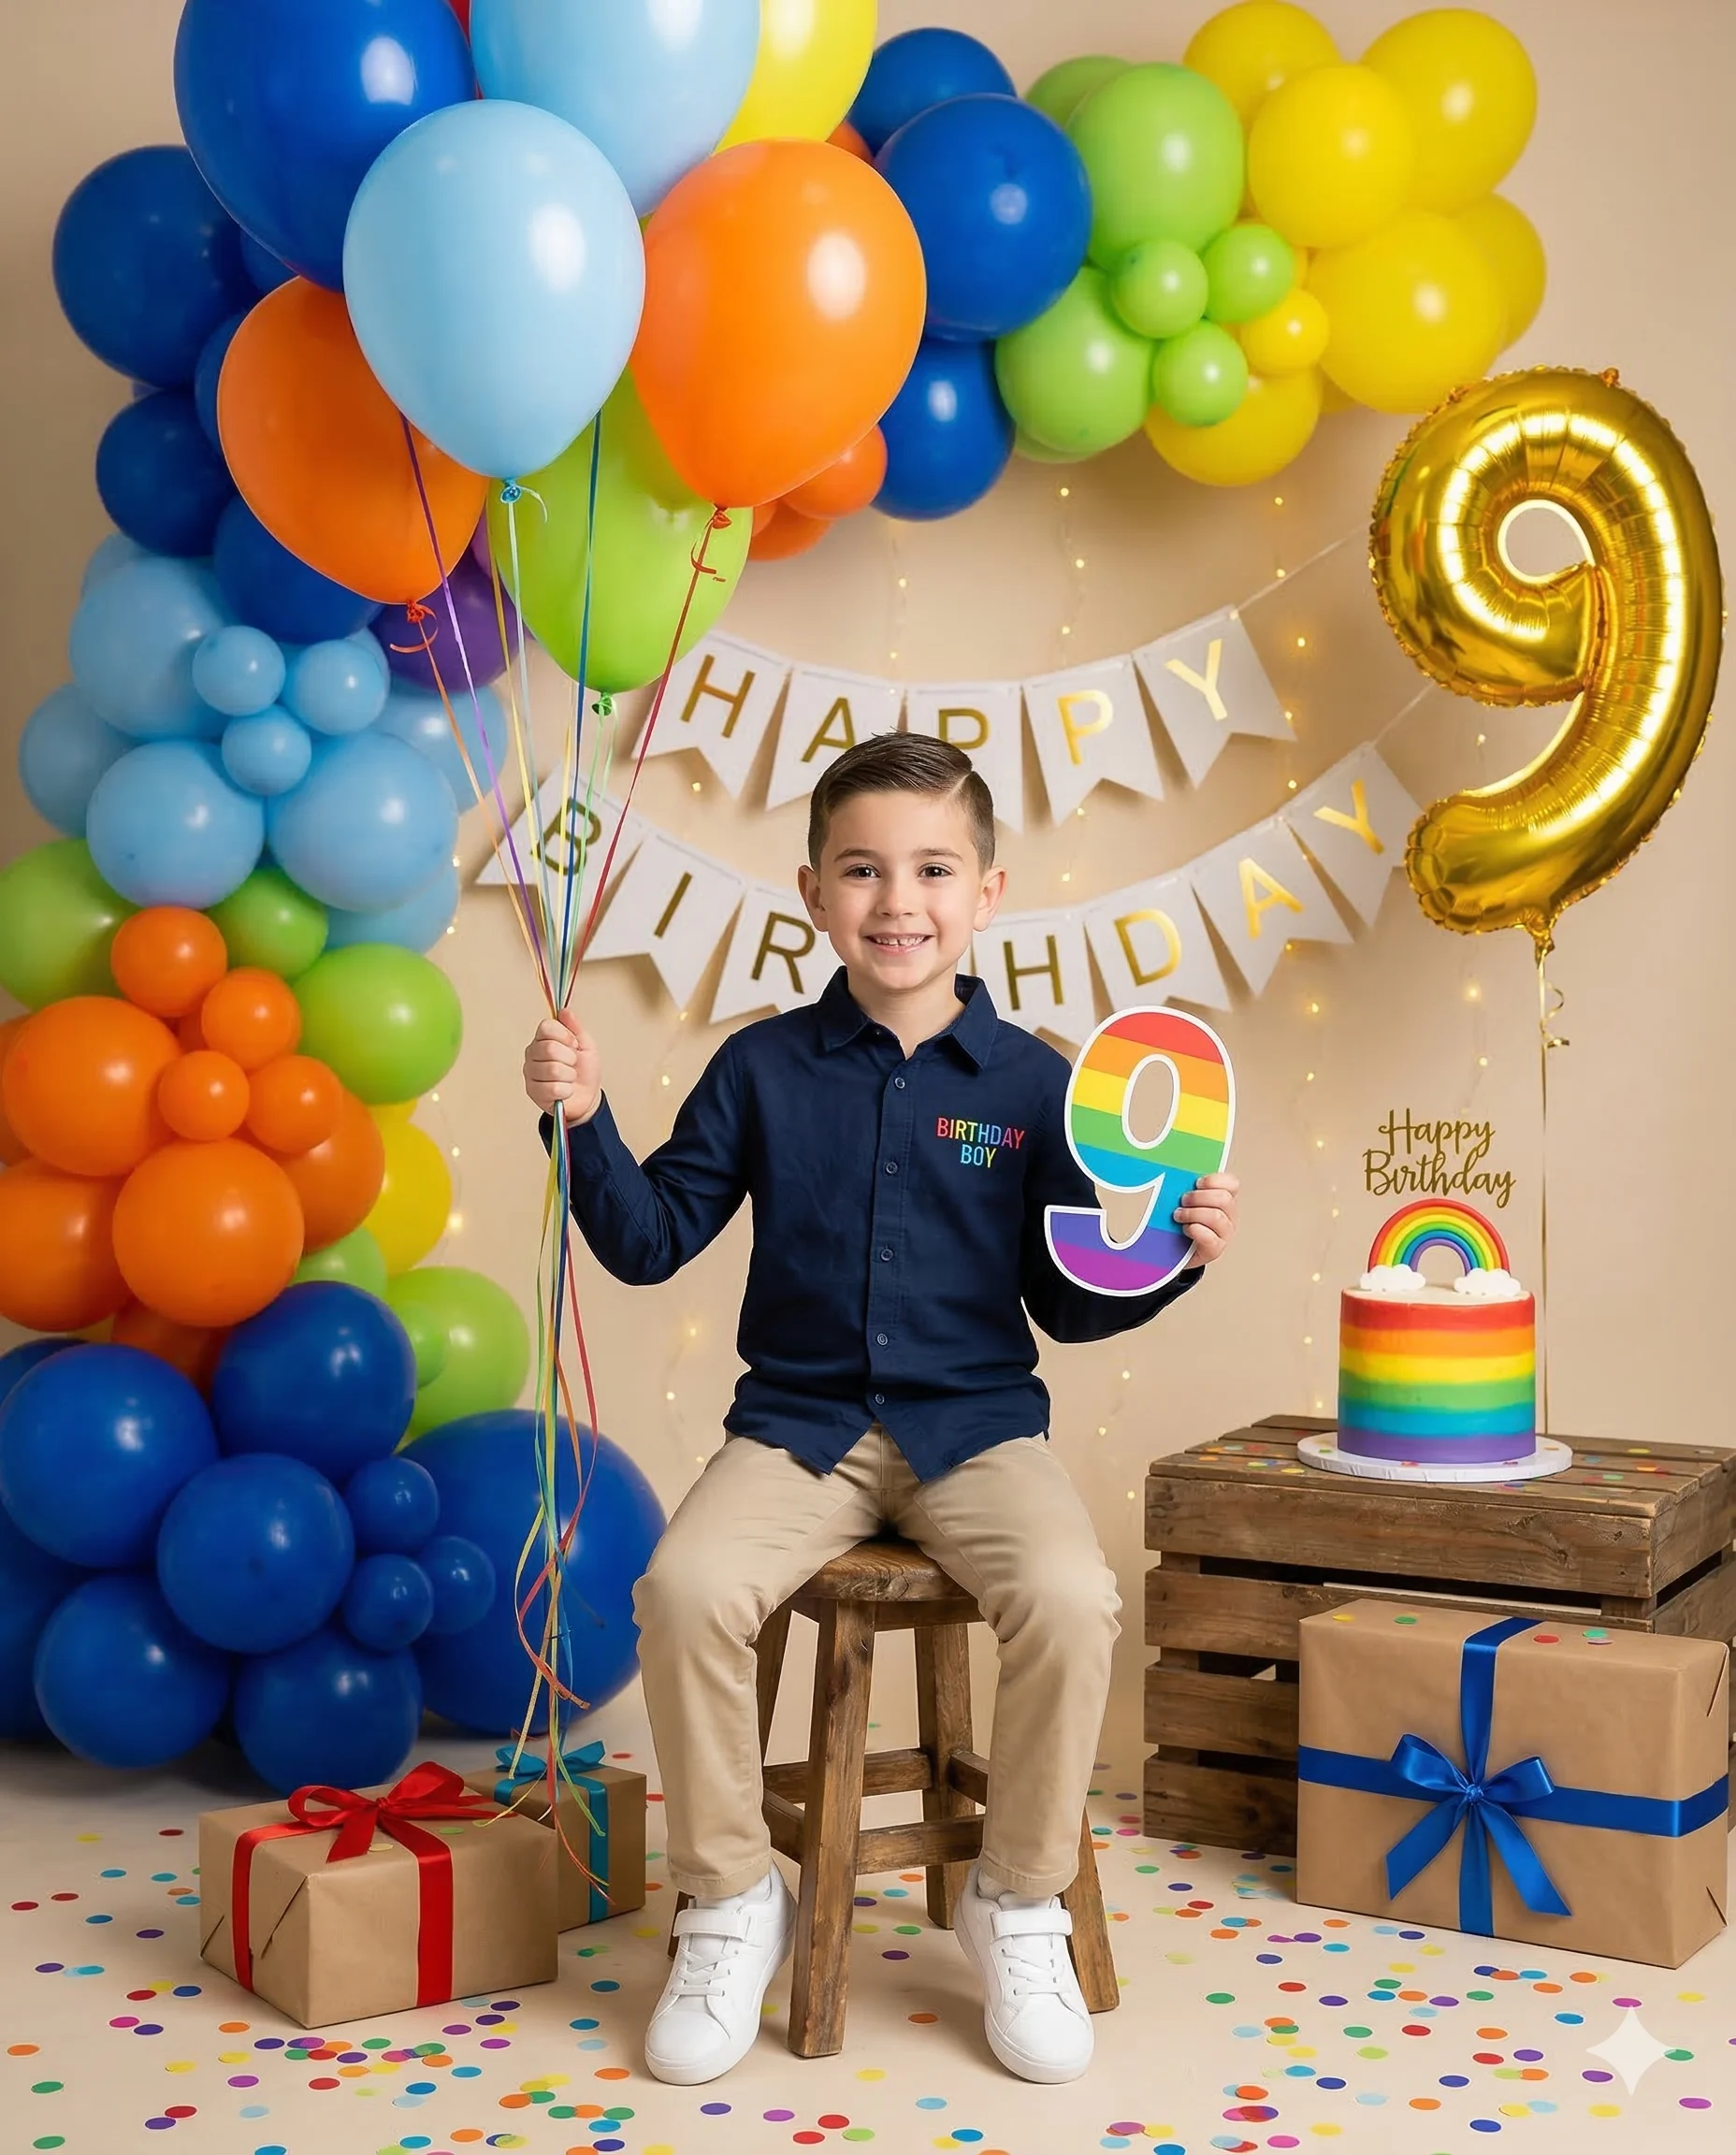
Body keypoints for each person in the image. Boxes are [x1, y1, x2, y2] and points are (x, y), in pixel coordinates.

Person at [523, 734, 1238, 2087]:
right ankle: (734, 1897)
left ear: (987, 892)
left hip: (978, 1432)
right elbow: (649, 1241)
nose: (897, 900)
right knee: (683, 1588)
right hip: (799, 1430)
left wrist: (1172, 1260)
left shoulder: (1038, 1085)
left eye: (932, 870)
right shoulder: (761, 1068)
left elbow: (1067, 1302)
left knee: (1072, 1598)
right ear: (813, 891)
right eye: (862, 870)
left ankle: (1015, 1900)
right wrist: (584, 1120)